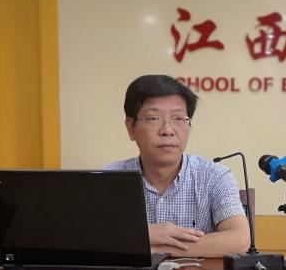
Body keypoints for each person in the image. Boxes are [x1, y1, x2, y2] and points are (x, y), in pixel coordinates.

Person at [104, 74, 250, 257]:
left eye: (179, 118)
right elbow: (86, 237)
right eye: (153, 118)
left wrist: (156, 248)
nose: (167, 130)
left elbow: (239, 240)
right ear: (131, 127)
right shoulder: (109, 179)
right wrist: (145, 233)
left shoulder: (215, 176)